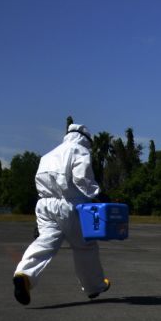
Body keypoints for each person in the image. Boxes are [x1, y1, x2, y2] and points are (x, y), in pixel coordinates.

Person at [12, 124, 109, 305]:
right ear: (85, 139)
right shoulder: (79, 151)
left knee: (45, 242)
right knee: (85, 246)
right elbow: (82, 178)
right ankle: (94, 286)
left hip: (44, 205)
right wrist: (98, 194)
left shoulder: (48, 155)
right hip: (70, 205)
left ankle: (24, 275)